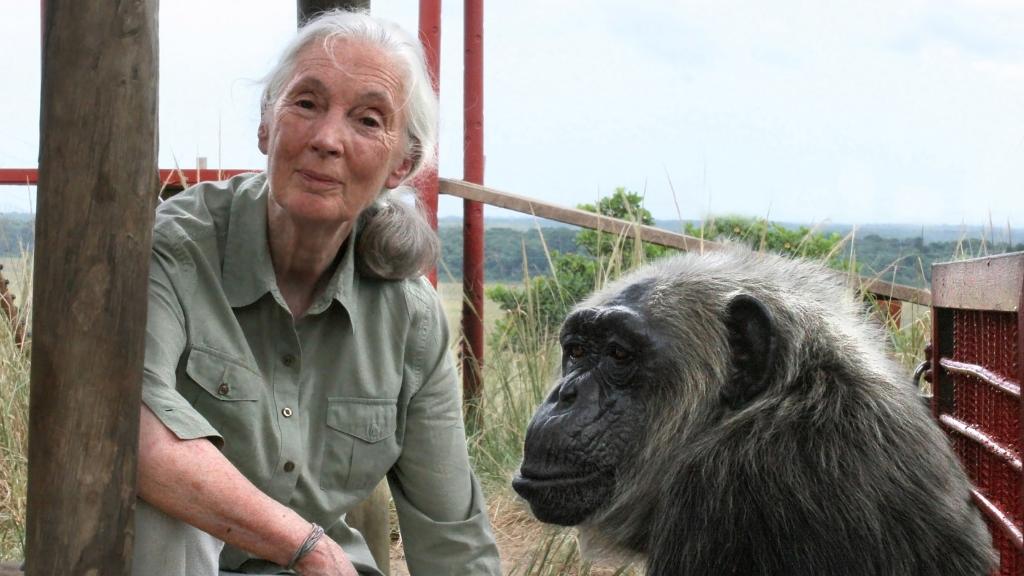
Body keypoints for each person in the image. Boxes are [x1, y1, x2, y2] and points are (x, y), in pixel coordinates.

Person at [132, 10, 501, 576]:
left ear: (402, 163)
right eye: (306, 103)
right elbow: (134, 435)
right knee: (159, 513)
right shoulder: (174, 252)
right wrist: (307, 546)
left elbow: (451, 536)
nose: (327, 140)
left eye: (368, 120)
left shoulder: (411, 318)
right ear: (265, 125)